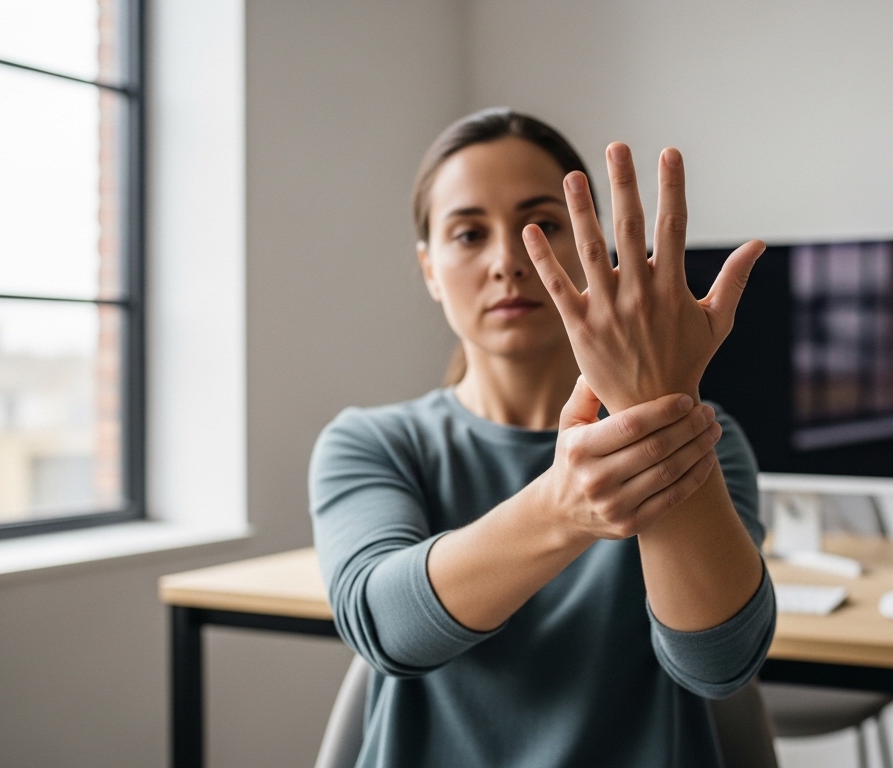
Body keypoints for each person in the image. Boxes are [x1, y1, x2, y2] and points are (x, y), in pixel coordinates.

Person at [309, 108, 775, 768]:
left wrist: (656, 407)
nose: (506, 261)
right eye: (469, 234)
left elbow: (720, 664)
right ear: (429, 269)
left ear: (590, 247)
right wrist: (561, 508)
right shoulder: (374, 442)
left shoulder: (701, 435)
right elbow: (385, 626)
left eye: (541, 226)